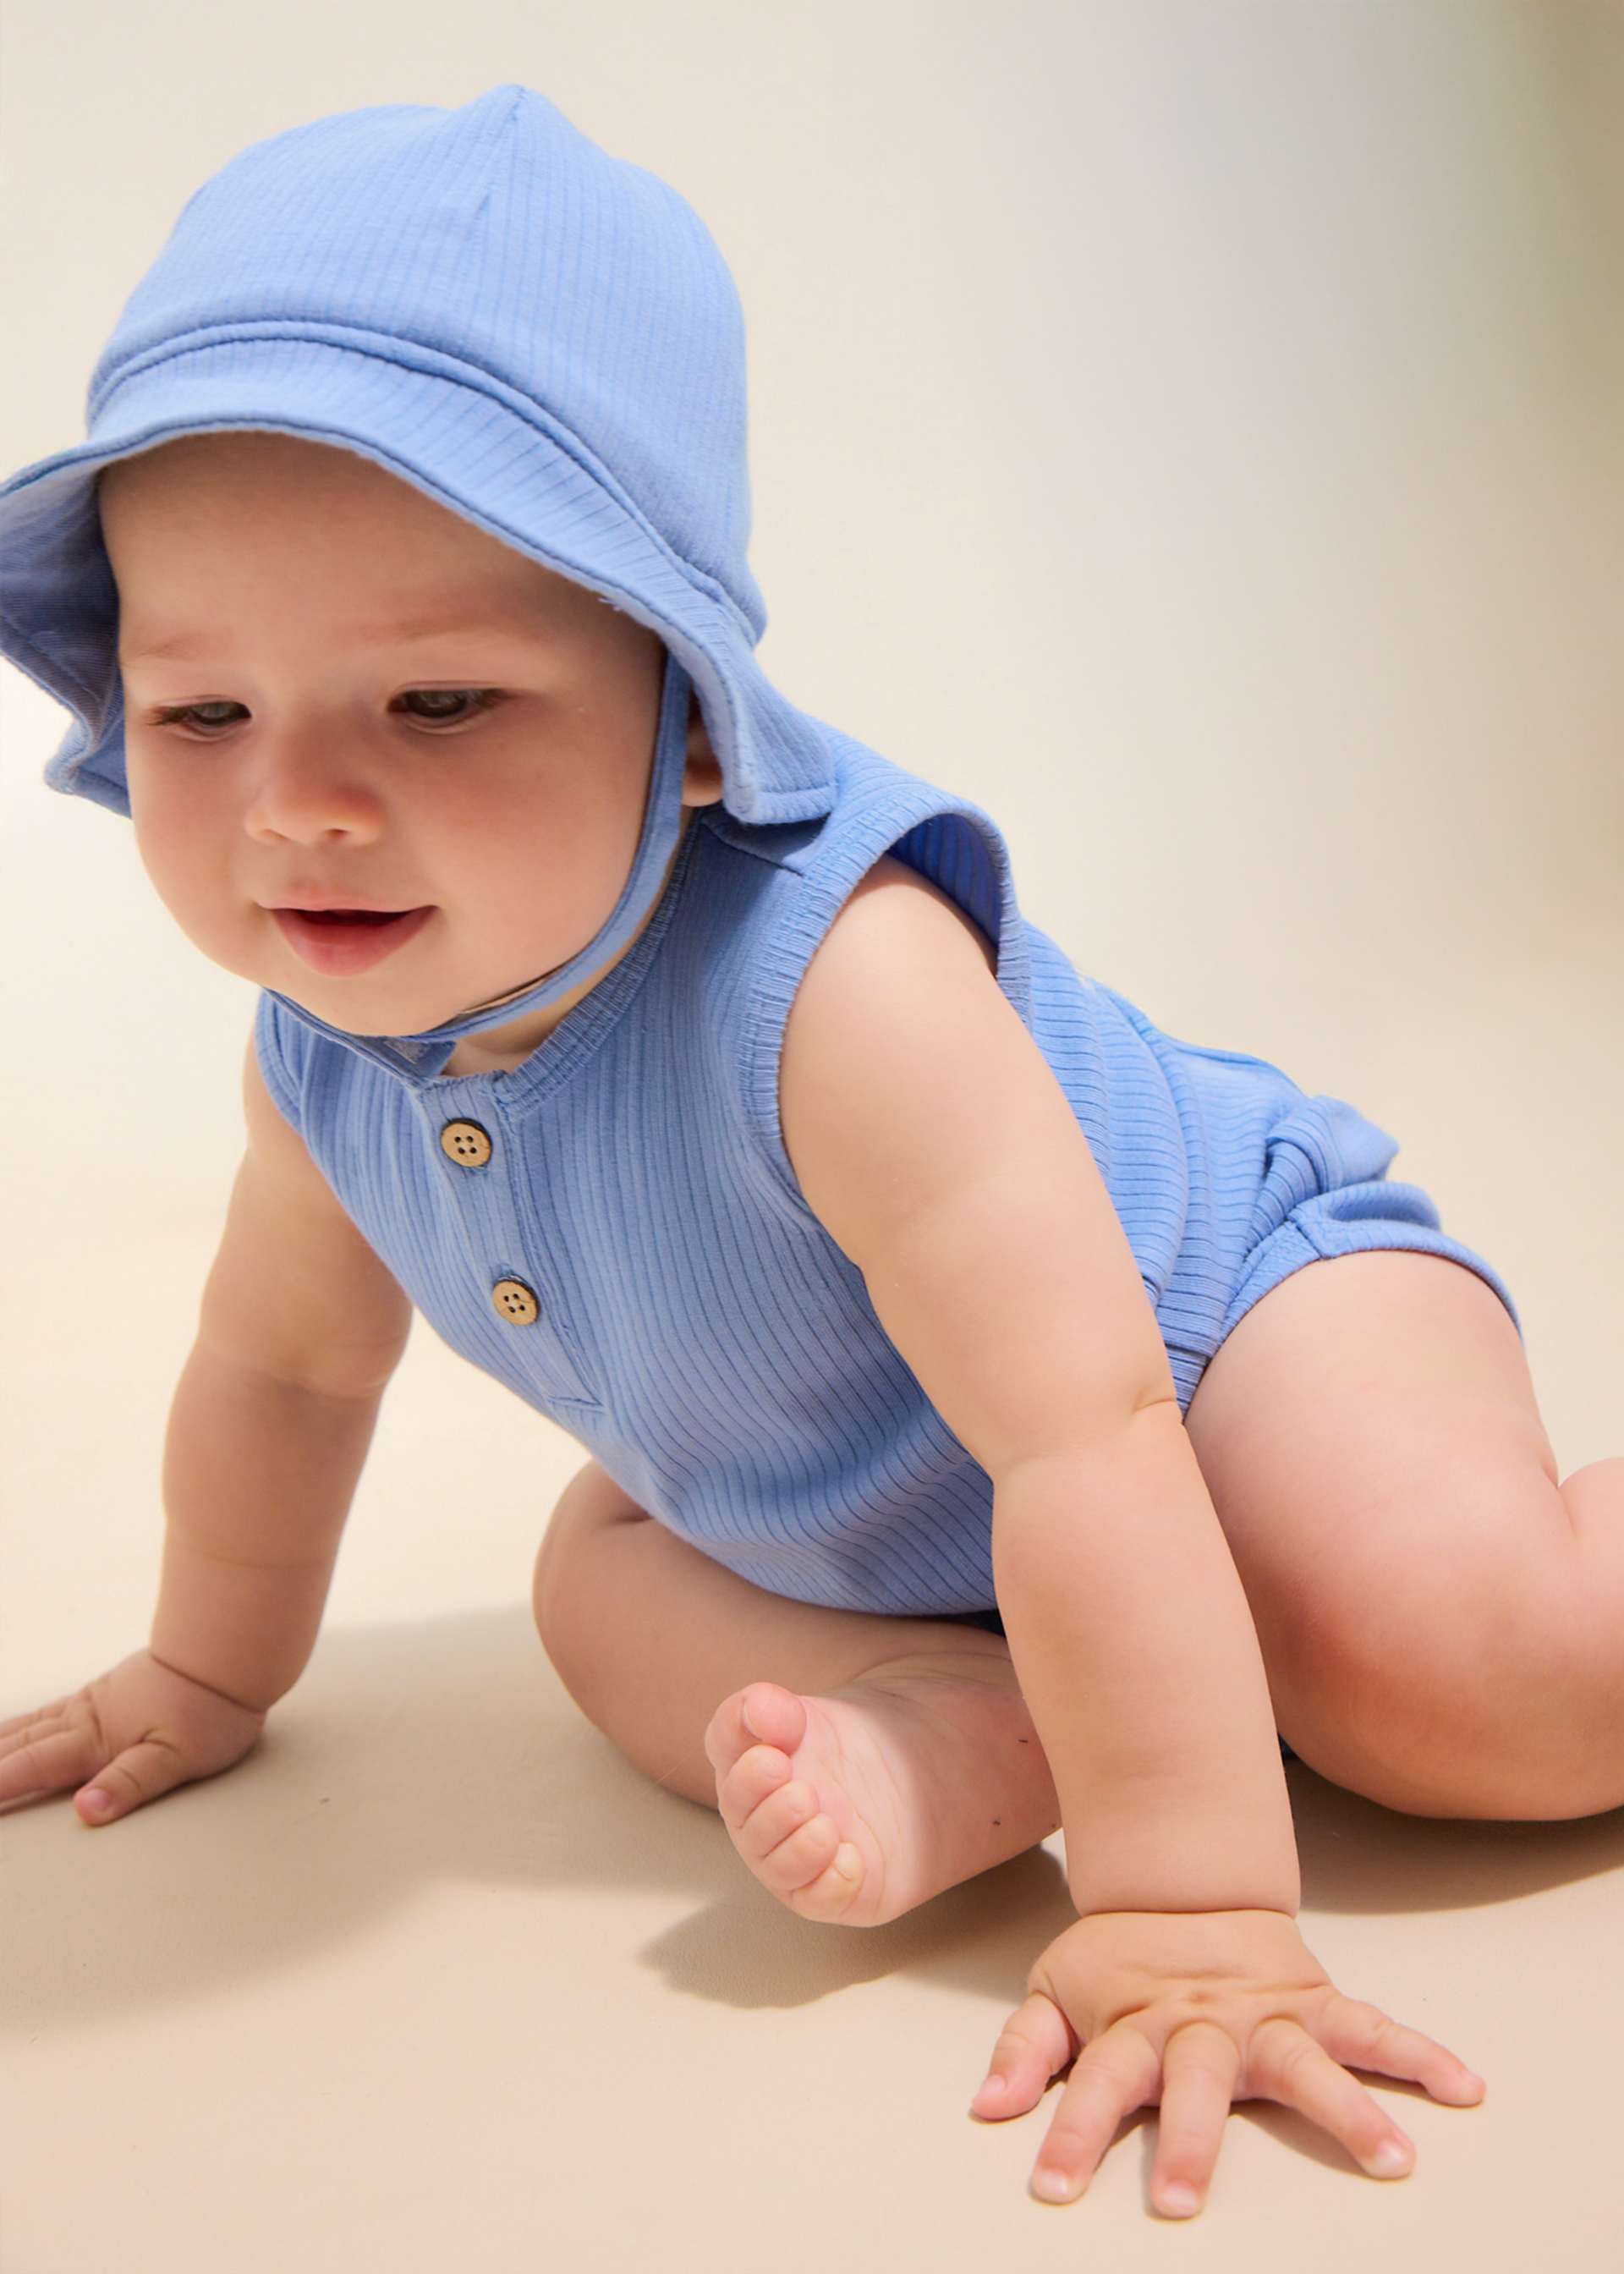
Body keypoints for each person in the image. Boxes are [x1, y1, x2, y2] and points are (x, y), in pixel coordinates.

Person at [1, 83, 1614, 2223]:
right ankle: (968, 1718)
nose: (296, 806)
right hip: (878, 1509)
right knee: (601, 1592)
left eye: (440, 707)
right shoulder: (324, 1034)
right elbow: (287, 1370)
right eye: (204, 717)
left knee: (1453, 1682)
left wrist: (1192, 1905)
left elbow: (1088, 1427)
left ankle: (1307, 1664)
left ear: (681, 720)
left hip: (1219, 1342)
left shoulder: (836, 984)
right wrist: (215, 1663)